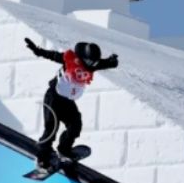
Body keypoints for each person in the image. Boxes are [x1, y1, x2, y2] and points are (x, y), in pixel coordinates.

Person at [23, 38, 119, 171]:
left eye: (94, 62)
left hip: (67, 102)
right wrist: (37, 50)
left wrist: (112, 62)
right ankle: (42, 158)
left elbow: (103, 63)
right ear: (82, 58)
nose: (91, 65)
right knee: (51, 128)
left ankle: (64, 149)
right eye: (89, 61)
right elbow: (52, 55)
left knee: (75, 125)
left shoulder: (92, 64)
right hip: (53, 98)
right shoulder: (69, 60)